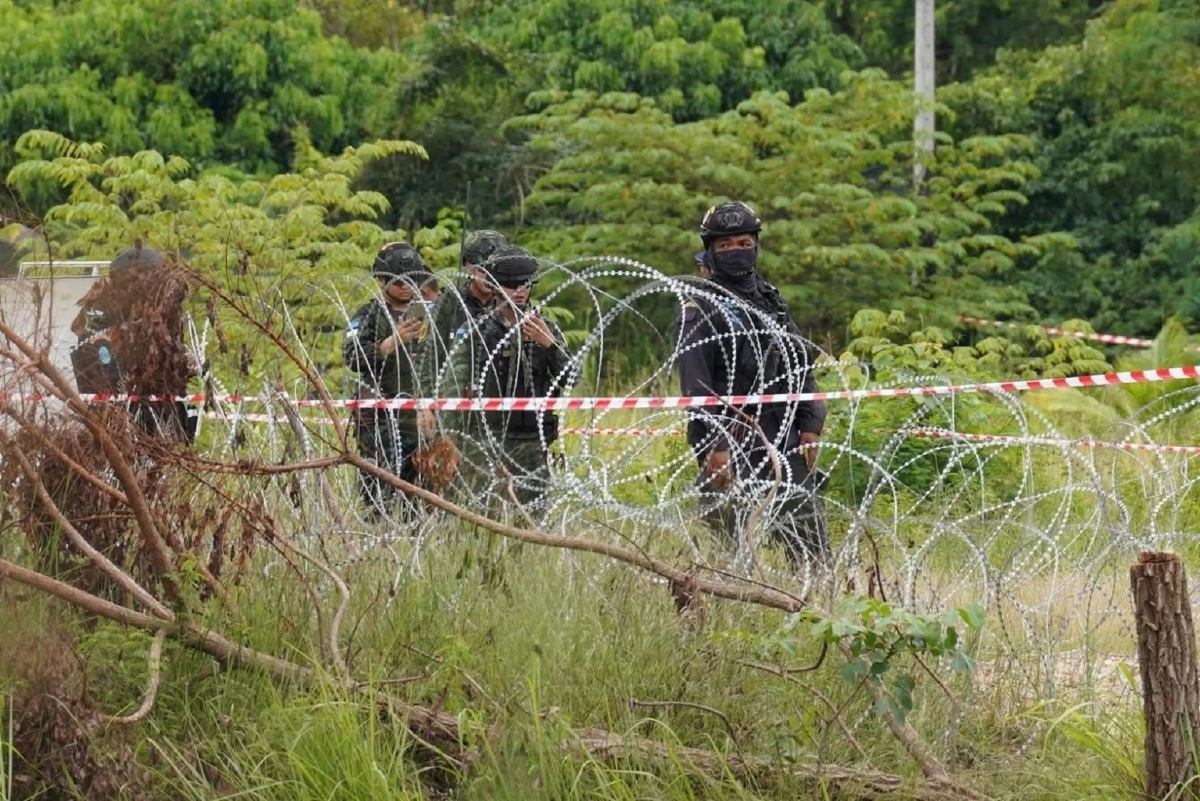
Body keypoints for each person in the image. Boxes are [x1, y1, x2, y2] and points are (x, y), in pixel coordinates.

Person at [675, 201, 830, 565]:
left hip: (783, 430)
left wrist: (810, 423)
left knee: (809, 542)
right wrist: (714, 446)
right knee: (730, 550)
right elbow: (696, 383)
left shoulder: (772, 300)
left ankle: (814, 606)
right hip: (732, 434)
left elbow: (799, 362)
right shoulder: (701, 304)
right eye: (725, 246)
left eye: (743, 243)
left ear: (756, 245)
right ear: (710, 249)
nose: (735, 252)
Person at [451, 244, 570, 508]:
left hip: (531, 437)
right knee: (485, 513)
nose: (520, 292)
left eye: (526, 285)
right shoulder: (476, 329)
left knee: (532, 514)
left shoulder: (545, 328)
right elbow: (453, 379)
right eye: (511, 285)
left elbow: (570, 378)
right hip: (485, 438)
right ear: (494, 285)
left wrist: (549, 346)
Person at [70, 241, 198, 443]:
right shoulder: (102, 322)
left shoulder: (152, 320)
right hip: (123, 431)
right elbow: (111, 384)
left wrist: (181, 366)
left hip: (160, 426)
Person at [343, 241, 434, 519]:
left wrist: (429, 404)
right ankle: (374, 539)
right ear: (382, 280)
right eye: (398, 281)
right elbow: (352, 356)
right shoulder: (368, 315)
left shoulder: (432, 315)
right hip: (379, 414)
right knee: (378, 487)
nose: (407, 286)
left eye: (413, 279)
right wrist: (391, 343)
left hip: (419, 415)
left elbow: (444, 364)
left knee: (419, 493)